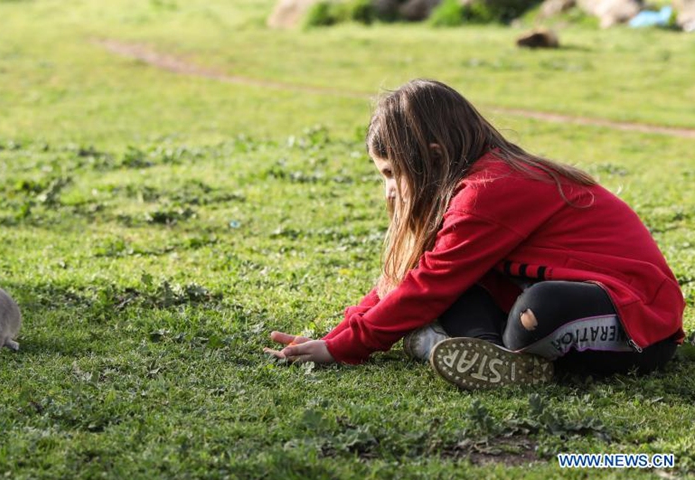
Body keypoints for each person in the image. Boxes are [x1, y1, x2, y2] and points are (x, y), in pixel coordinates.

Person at [264, 79, 685, 389]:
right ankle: (490, 358)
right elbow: (412, 280)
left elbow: (427, 286)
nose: (388, 190)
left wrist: (344, 349)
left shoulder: (490, 188)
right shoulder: (470, 184)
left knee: (536, 309)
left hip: (634, 320)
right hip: (558, 318)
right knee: (458, 289)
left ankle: (447, 346)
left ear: (433, 157)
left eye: (393, 174)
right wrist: (334, 338)